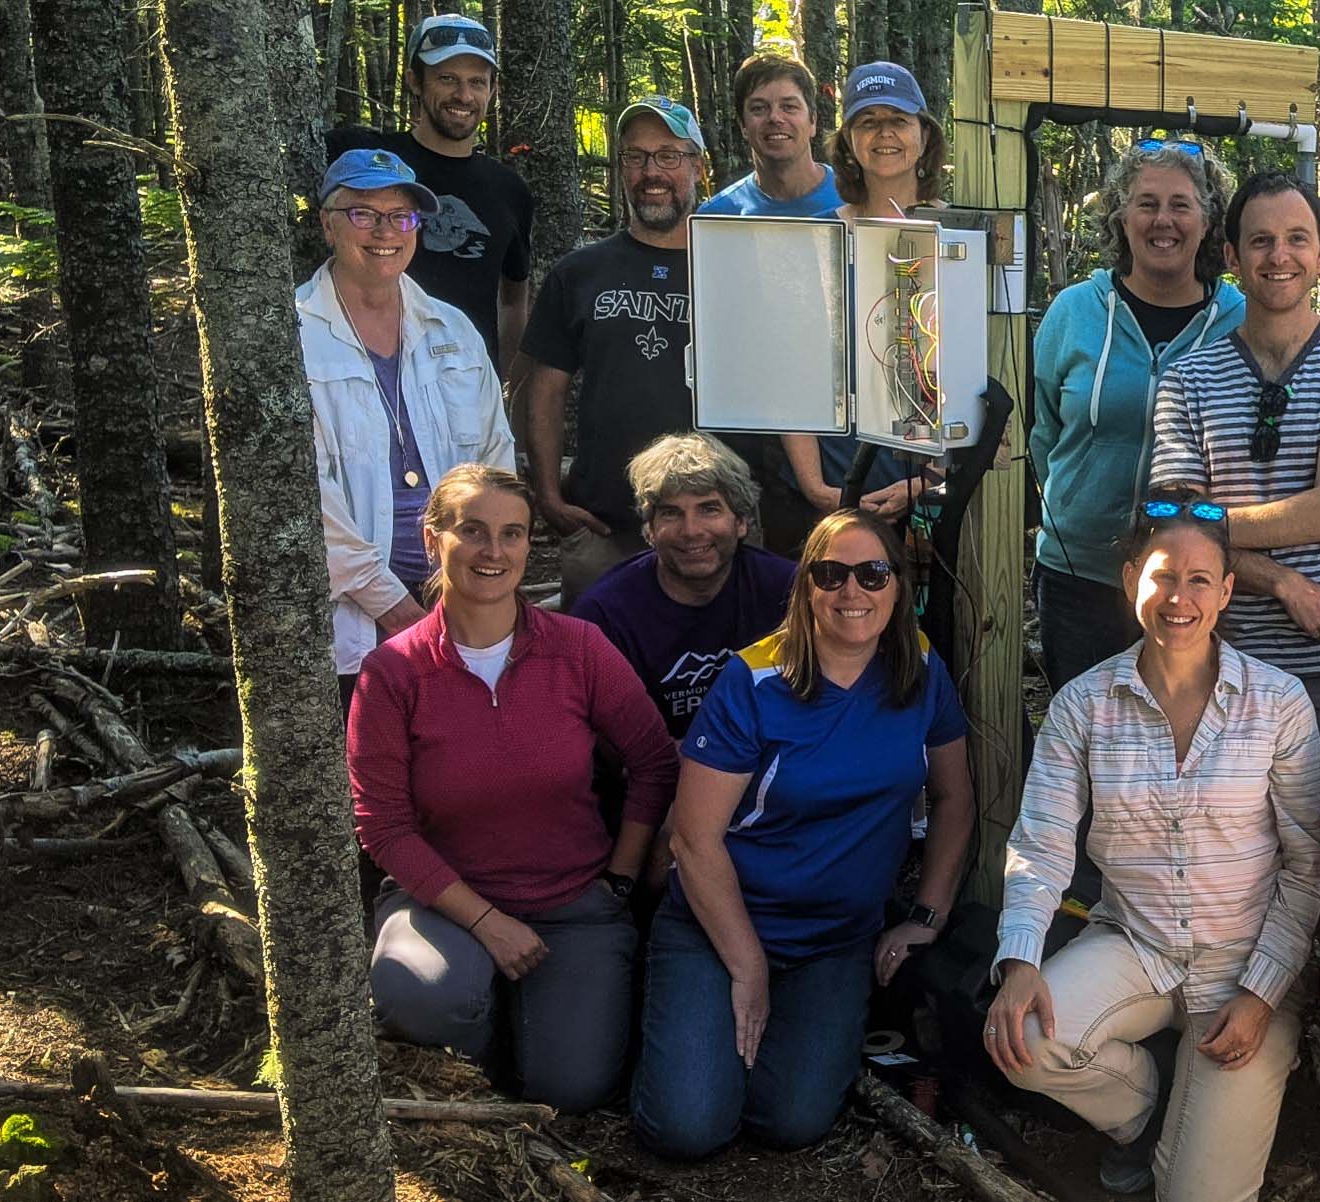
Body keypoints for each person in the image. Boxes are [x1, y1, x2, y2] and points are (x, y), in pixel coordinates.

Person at [986, 488, 1320, 1202]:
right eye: (1162, 576)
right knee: (1026, 1042)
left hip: (1243, 962)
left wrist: (1264, 993)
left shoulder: (1279, 703)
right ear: (1130, 580)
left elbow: (1308, 862)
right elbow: (1042, 841)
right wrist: (1019, 959)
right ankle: (1145, 1109)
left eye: (1199, 580)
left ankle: (1196, 1125)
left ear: (1227, 591)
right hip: (1134, 942)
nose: (1180, 598)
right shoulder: (1083, 703)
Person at [630, 509, 973, 1159]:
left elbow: (955, 797)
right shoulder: (754, 681)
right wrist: (746, 964)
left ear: (899, 586)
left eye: (873, 574)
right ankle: (679, 1019)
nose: (853, 592)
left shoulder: (920, 667)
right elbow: (693, 841)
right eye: (831, 574)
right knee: (687, 1129)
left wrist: (928, 913)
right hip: (723, 921)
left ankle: (727, 1039)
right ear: (805, 587)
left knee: (792, 1123)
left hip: (837, 938)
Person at [349, 465, 677, 1112]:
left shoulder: (578, 648)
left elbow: (654, 761)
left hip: (573, 899)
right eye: (472, 531)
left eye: (512, 534)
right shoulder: (392, 672)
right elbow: (383, 826)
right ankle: (479, 1055)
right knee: (428, 998)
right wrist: (487, 922)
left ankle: (534, 1035)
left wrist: (620, 876)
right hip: (441, 903)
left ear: (531, 545)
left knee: (573, 1090)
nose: (492, 552)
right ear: (434, 537)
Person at [1151, 172, 1320, 774]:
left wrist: (1200, 525)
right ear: (1233, 255)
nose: (1279, 256)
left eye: (1296, 238)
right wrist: (1283, 583)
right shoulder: (1188, 378)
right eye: (1260, 241)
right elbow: (1166, 521)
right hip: (1214, 657)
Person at [1031, 141, 1245, 694]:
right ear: (1121, 217)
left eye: (1181, 204)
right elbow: (1044, 431)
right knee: (1081, 736)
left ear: (1207, 221)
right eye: (1146, 204)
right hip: (1080, 574)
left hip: (1191, 580)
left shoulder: (1239, 321)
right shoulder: (1075, 312)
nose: (1163, 221)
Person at [300, 147, 515, 688]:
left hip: (459, 600)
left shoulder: (453, 331)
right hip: (349, 621)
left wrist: (473, 584)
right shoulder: (293, 333)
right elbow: (303, 498)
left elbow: (495, 459)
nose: (385, 231)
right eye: (363, 214)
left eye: (401, 216)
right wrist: (397, 610)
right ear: (328, 224)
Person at [523, 96, 710, 608]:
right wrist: (548, 494)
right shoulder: (579, 273)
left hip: (712, 531)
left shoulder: (732, 268)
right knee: (596, 676)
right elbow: (544, 389)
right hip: (603, 526)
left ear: (698, 166)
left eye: (669, 156)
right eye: (635, 157)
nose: (652, 172)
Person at [768, 60, 940, 558]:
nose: (885, 134)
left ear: (924, 137)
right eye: (868, 122)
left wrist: (929, 480)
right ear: (847, 142)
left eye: (899, 121)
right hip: (825, 496)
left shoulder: (955, 235)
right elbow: (790, 371)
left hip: (927, 497)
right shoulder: (816, 239)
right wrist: (818, 488)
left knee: (922, 632)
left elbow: (976, 373)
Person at [325, 13, 534, 368]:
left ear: (492, 90)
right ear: (415, 81)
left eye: (477, 82)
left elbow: (513, 299)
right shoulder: (363, 159)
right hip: (361, 380)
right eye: (447, 79)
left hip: (464, 389)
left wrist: (500, 380)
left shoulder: (509, 189)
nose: (464, 95)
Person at [572, 433, 797, 735]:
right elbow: (595, 737)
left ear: (741, 521)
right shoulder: (604, 615)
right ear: (649, 529)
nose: (691, 531)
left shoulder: (788, 589)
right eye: (671, 513)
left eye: (709, 509)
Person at [698, 49, 844, 217]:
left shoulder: (857, 202)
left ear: (813, 121)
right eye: (759, 108)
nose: (775, 118)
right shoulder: (717, 217)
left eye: (789, 107)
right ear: (742, 125)